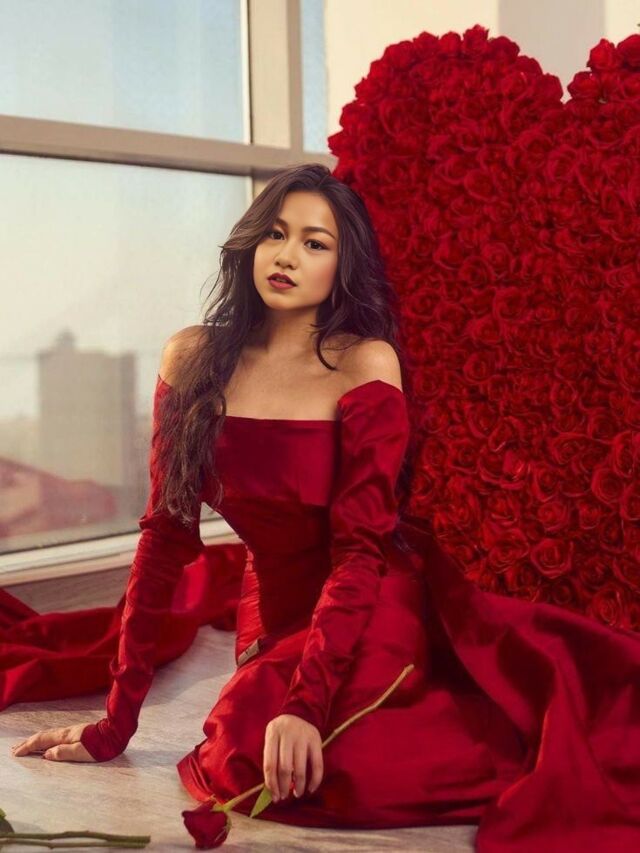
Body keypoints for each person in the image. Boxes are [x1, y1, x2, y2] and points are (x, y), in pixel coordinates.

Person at [7, 163, 640, 852]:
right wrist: (115, 723)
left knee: (296, 764)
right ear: (250, 243)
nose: (287, 255)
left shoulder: (365, 363)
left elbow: (360, 552)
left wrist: (306, 704)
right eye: (276, 234)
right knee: (246, 755)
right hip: (271, 605)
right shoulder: (192, 357)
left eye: (315, 243)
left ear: (343, 265)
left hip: (369, 597)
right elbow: (164, 538)